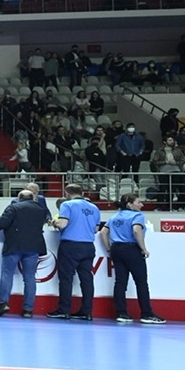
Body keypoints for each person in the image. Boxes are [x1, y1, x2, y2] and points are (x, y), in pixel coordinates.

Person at [100, 194, 166, 324]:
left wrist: (108, 248)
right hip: (131, 249)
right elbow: (136, 231)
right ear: (130, 204)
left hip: (116, 249)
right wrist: (143, 248)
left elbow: (103, 232)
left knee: (120, 282)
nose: (142, 205)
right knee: (141, 282)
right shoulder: (137, 216)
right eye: (139, 202)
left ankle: (121, 313)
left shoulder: (114, 216)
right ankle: (146, 313)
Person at [0, 189, 49, 318]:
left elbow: (1, 223)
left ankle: (3, 303)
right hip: (33, 246)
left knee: (7, 274)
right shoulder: (41, 209)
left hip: (14, 246)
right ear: (33, 198)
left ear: (19, 198)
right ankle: (28, 309)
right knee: (30, 278)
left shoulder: (14, 207)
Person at [47, 184, 101, 320]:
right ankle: (87, 311)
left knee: (66, 278)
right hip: (88, 245)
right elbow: (96, 229)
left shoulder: (67, 205)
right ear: (82, 193)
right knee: (87, 279)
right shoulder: (94, 207)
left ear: (67, 193)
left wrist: (53, 222)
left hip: (70, 245)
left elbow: (62, 224)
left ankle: (64, 309)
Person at [150, 134, 182, 207]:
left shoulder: (178, 150)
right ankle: (159, 206)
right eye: (170, 140)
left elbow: (182, 160)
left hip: (175, 171)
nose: (172, 141)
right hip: (164, 171)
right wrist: (165, 162)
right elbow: (155, 161)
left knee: (172, 189)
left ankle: (169, 206)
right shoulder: (160, 151)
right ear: (165, 142)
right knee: (163, 189)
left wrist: (176, 162)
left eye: (172, 140)